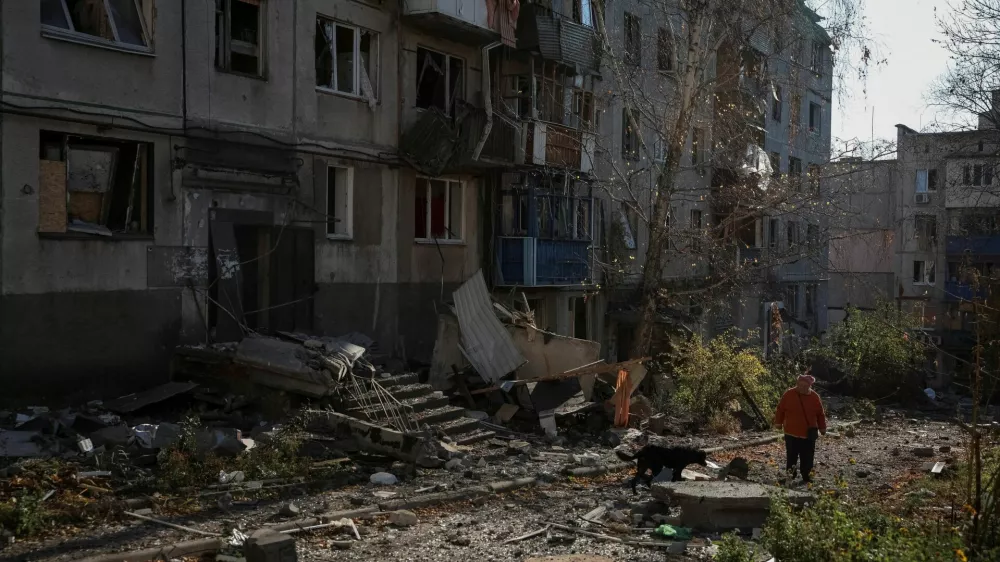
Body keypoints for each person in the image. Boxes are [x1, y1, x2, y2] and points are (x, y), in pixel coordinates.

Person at [773, 372, 827, 484]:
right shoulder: (789, 394)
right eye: (800, 385)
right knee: (791, 455)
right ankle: (790, 475)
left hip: (808, 433)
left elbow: (820, 414)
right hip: (791, 432)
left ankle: (807, 476)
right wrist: (778, 423)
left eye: (805, 386)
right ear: (797, 384)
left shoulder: (814, 397)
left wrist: (822, 428)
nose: (802, 388)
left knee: (807, 456)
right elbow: (780, 409)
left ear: (809, 386)